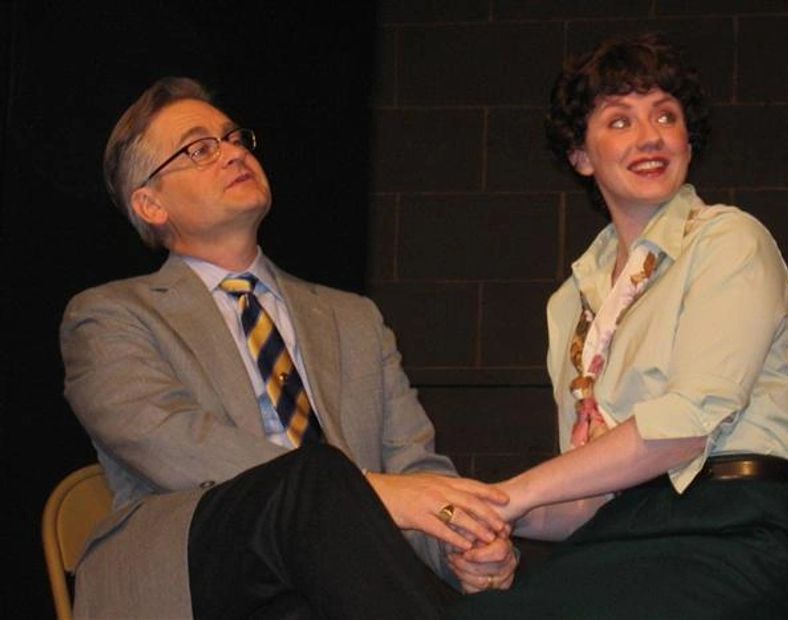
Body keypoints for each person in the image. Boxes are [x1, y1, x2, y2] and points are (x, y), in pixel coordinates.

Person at [60, 76, 517, 619]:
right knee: (314, 475)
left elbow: (414, 470)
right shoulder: (110, 315)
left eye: (234, 138)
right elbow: (169, 441)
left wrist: (462, 546)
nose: (233, 152)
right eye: (200, 149)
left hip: (339, 579)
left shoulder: (354, 319)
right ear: (151, 204)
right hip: (196, 578)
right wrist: (363, 491)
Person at [451, 33, 788, 619]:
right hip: (625, 535)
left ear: (687, 142)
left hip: (733, 529)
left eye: (666, 116)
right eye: (620, 120)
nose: (651, 136)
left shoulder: (729, 240)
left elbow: (687, 427)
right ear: (580, 155)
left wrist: (509, 497)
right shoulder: (570, 302)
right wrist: (489, 527)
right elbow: (589, 496)